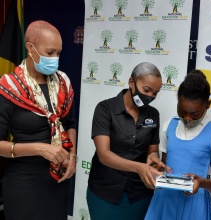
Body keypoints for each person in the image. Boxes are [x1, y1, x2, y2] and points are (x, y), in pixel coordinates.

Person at [0, 20, 77, 219]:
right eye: (50, 53)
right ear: (30, 48)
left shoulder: (63, 84)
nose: (55, 59)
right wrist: (40, 149)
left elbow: (70, 124)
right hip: (23, 183)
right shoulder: (9, 87)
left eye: (58, 54)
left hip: (58, 180)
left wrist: (73, 156)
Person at [145, 70, 211, 220]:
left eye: (195, 114)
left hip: (194, 203)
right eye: (182, 111)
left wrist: (201, 182)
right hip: (164, 199)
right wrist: (156, 170)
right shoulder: (169, 126)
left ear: (208, 105)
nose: (187, 118)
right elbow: (164, 165)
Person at [87, 62, 168, 220]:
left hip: (139, 195)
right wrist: (138, 167)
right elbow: (104, 154)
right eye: (146, 90)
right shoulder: (105, 109)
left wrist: (153, 157)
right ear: (131, 82)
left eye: (155, 93)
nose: (150, 96)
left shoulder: (153, 114)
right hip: (105, 193)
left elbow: (152, 150)